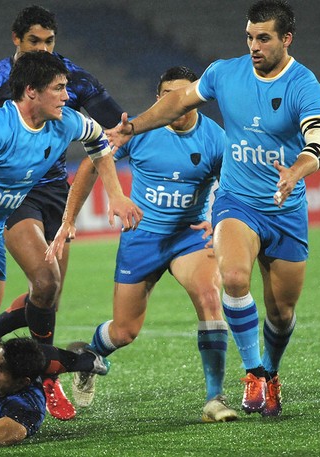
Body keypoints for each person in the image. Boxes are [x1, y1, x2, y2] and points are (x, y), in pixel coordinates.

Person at [104, 0, 320, 418]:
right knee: (231, 278)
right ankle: (253, 373)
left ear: (286, 39)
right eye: (249, 36)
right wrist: (132, 126)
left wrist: (297, 170)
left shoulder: (304, 86)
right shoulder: (224, 73)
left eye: (263, 38)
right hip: (237, 200)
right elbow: (176, 103)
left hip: (285, 209)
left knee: (281, 314)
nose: (254, 45)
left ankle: (272, 372)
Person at [0, 51, 141, 420]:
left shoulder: (66, 122)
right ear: (31, 91)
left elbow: (100, 144)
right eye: (59, 89)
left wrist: (115, 193)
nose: (67, 96)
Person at [46, 66, 238, 422]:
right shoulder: (139, 130)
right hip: (142, 238)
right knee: (124, 331)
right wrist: (69, 218)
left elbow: (233, 184)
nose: (177, 103)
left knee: (211, 299)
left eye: (184, 96)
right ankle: (88, 355)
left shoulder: (216, 138)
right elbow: (92, 164)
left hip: (188, 237)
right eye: (168, 97)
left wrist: (220, 216)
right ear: (159, 100)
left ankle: (215, 398)